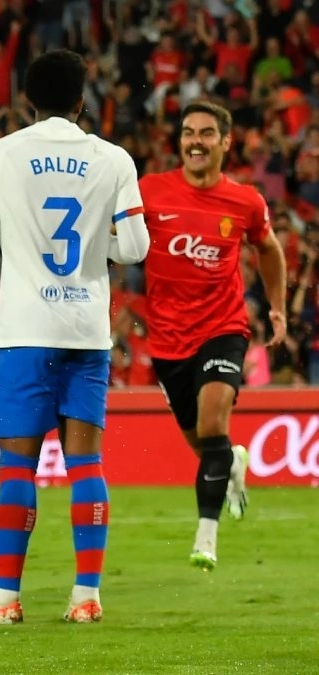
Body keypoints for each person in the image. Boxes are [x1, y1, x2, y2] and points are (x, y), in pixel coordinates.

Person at [0, 50, 150, 626]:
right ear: (84, 101)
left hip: (26, 332)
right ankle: (86, 596)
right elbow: (134, 248)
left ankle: (5, 598)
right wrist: (93, 245)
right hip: (87, 332)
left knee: (17, 468)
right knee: (86, 465)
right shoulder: (114, 159)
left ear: (27, 101)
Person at [138, 100, 286, 571]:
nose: (194, 141)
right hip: (166, 339)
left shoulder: (244, 201)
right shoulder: (150, 192)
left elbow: (269, 250)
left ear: (225, 142)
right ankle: (235, 464)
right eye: (187, 133)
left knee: (213, 424)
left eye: (205, 133)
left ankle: (206, 538)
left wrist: (278, 308)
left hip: (223, 328)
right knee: (205, 443)